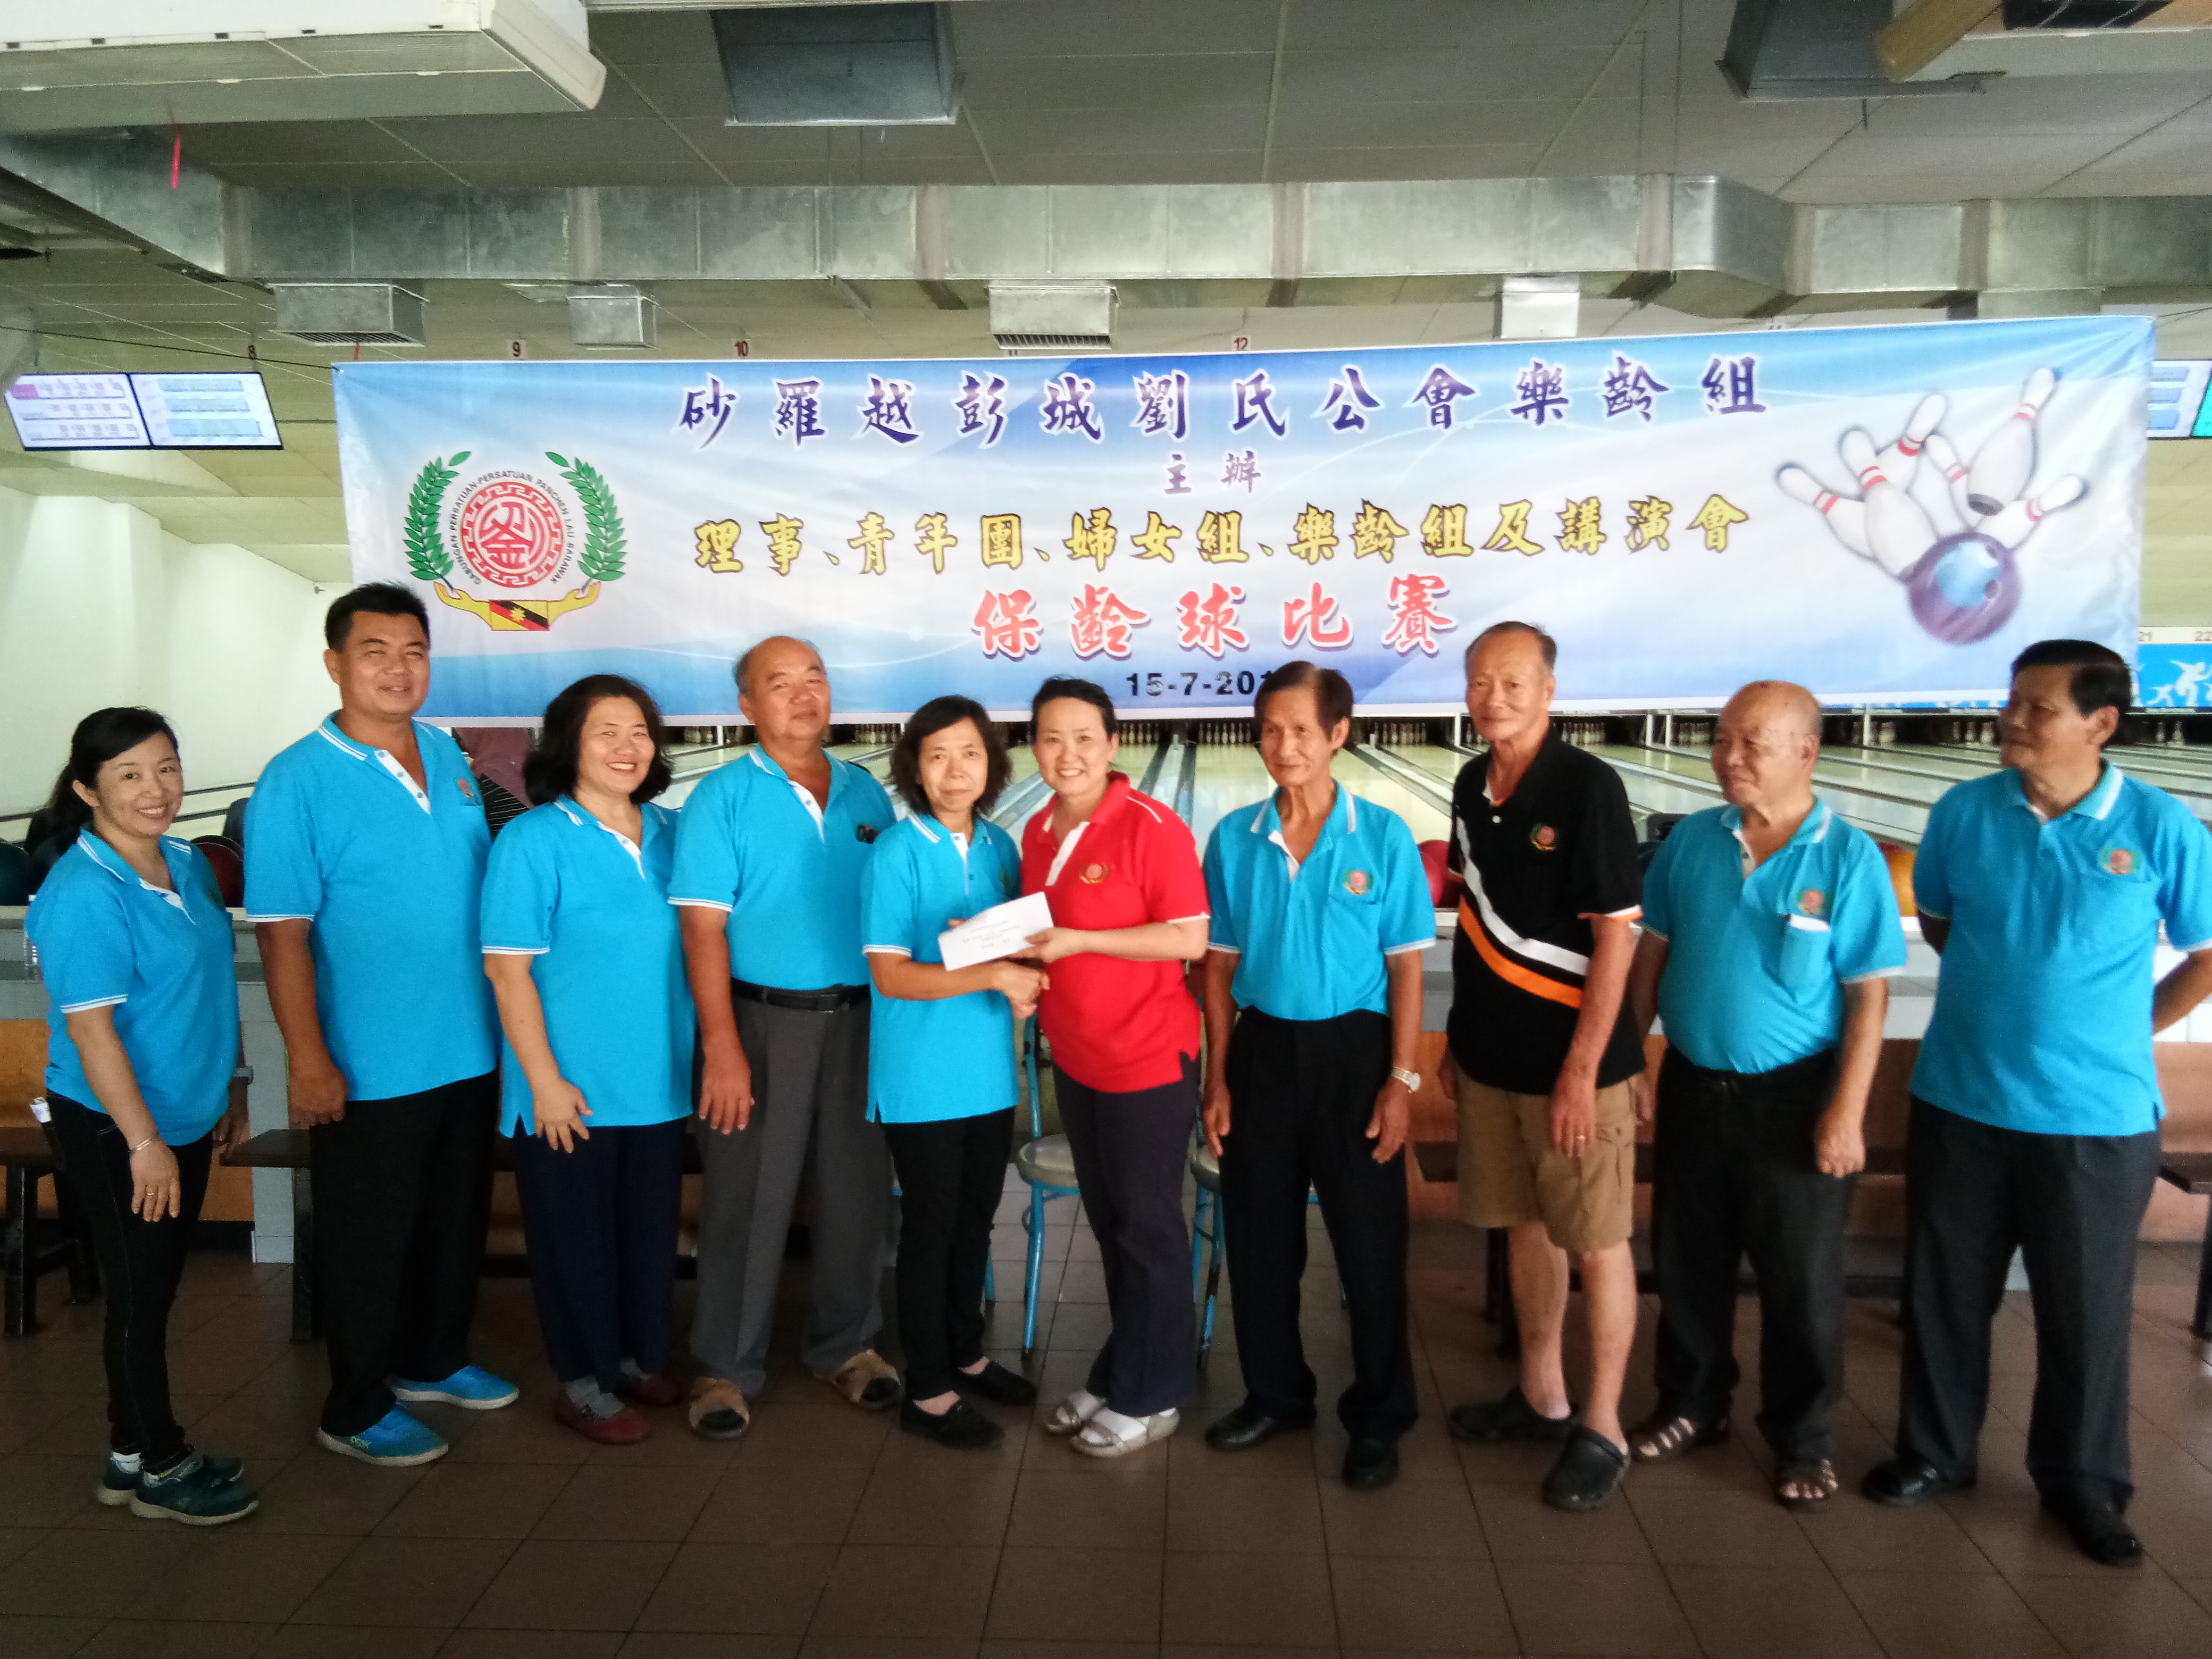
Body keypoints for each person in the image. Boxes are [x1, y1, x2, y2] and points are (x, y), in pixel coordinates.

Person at [1863, 640, 2212, 1566]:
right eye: (2011, 700)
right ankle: (1935, 1454)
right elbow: (1941, 921)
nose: (2011, 719)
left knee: (2084, 1313)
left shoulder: (2162, 827)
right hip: (1961, 1100)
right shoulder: (1963, 811)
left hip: (2096, 1120)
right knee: (1945, 1296)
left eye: (2037, 708)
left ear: (2101, 724)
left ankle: (2085, 1484)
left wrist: (2128, 1026)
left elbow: (2207, 954)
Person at [246, 583, 516, 1469]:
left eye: (413, 652)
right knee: (371, 1238)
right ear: (335, 664)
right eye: (376, 652)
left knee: (451, 1222)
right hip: (370, 1060)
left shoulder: (445, 754)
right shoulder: (296, 779)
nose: (398, 669)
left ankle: (432, 1359)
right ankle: (356, 1404)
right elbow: (283, 935)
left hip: (468, 1045)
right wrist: (309, 1059)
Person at [1624, 681, 1905, 1510]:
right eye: (1721, 740)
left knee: (1801, 1280)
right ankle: (1693, 1404)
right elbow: (1652, 954)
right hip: (1694, 1084)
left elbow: (1869, 997)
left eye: (1752, 742)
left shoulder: (1848, 858)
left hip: (1797, 1096)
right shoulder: (1693, 842)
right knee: (1687, 1262)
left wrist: (1846, 1111)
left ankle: (1803, 1439)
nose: (1728, 757)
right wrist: (1631, 1057)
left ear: (1805, 752)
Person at [1199, 663, 1434, 1490]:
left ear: (1338, 734)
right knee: (1260, 1242)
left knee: (1370, 1249)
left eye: (1302, 729)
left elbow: (1406, 968)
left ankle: (1380, 1415)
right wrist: (1217, 1080)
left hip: (1356, 1057)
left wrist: (1401, 1082)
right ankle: (1275, 1395)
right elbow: (1217, 966)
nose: (1284, 745)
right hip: (1262, 1051)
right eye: (1270, 729)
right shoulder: (1234, 838)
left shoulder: (1383, 836)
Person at [26, 708, 257, 1525]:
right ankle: (159, 1463)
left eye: (166, 768)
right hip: (115, 1126)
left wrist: (234, 1081)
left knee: (153, 1287)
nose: (155, 789)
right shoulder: (83, 893)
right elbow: (92, 1032)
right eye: (129, 775)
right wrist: (143, 1143)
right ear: (88, 789)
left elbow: (214, 982)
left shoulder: (187, 863)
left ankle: (130, 1454)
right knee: (138, 1294)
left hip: (183, 1112)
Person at [669, 636, 902, 1439]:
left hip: (861, 1020)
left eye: (815, 679)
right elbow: (702, 932)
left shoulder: (867, 793)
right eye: (781, 684)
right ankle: (725, 1367)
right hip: (761, 1023)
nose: (804, 696)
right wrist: (723, 1047)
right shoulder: (721, 798)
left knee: (857, 1193)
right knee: (747, 1199)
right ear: (747, 706)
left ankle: (848, 1346)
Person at [1442, 621, 1646, 1512]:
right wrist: (1458, 1040)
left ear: (1549, 691)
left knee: (1596, 1241)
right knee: (1524, 1225)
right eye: (1481, 681)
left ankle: (1602, 1427)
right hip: (1491, 1058)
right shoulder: (1468, 782)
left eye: (1514, 682)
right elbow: (1477, 922)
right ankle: (1541, 1394)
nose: (1494, 698)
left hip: (1576, 1068)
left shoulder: (1588, 787)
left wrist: (1582, 1070)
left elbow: (1616, 937)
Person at [481, 676, 693, 1445]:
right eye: (607, 732)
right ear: (569, 744)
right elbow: (507, 971)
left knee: (647, 1235)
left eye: (639, 732)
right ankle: (582, 1382)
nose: (626, 748)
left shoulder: (673, 834)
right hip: (569, 1087)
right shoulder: (533, 841)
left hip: (659, 1082)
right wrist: (543, 1081)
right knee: (576, 1240)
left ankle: (634, 1360)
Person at [1021, 677, 1209, 1457]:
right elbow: (1039, 933)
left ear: (1113, 745)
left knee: (1148, 1229)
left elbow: (1189, 938)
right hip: (1078, 1058)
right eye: (1051, 739)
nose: (1067, 754)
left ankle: (1156, 1394)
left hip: (1147, 1059)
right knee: (1112, 1226)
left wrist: (1083, 942)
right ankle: (1122, 1369)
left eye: (1084, 738)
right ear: (1034, 746)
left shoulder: (1151, 827)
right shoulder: (1037, 829)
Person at [861, 697, 1045, 1449]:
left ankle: (966, 1353)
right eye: (937, 756)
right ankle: (929, 1389)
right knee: (933, 1228)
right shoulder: (895, 852)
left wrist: (1025, 974)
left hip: (988, 1072)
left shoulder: (1001, 846)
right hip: (920, 1078)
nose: (955, 770)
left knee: (975, 1219)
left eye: (970, 753)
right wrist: (995, 974)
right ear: (915, 769)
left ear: (991, 765)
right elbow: (891, 976)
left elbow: (1020, 945)